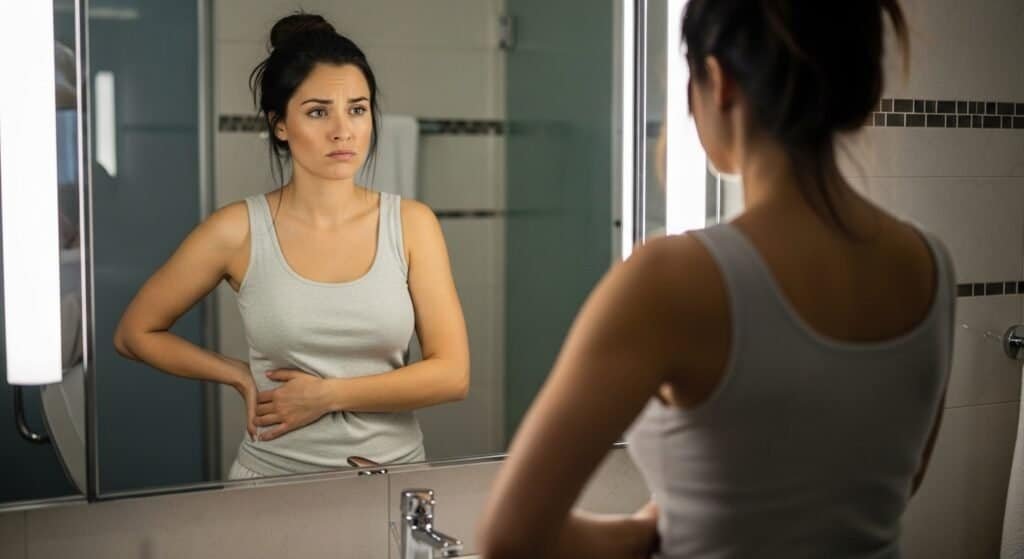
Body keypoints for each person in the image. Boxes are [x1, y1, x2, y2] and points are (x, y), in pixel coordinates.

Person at [479, 1, 953, 557]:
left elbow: (511, 539)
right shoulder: (930, 265)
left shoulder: (671, 280)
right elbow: (892, 484)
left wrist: (643, 533)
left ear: (719, 81)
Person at [114, 13, 469, 479]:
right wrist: (237, 374)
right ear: (280, 124)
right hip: (271, 481)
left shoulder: (411, 225)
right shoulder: (238, 230)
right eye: (318, 112)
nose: (342, 130)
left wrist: (329, 395)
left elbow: (453, 374)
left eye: (357, 109)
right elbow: (134, 333)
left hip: (392, 482)